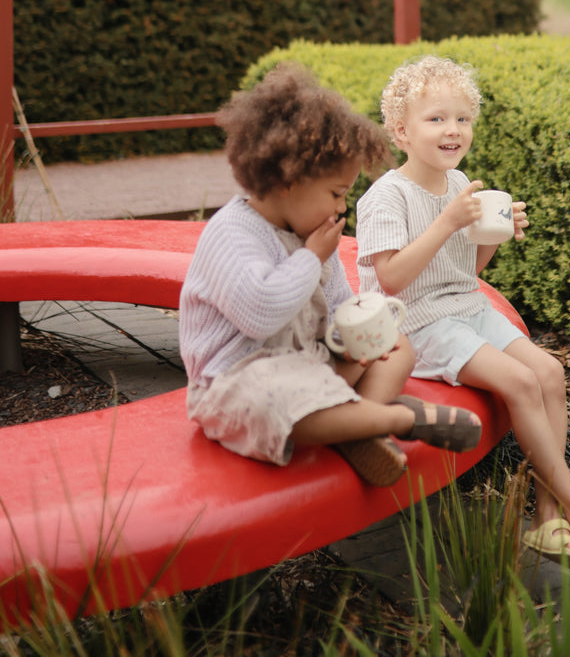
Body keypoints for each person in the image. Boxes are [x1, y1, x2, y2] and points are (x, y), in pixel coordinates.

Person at [355, 55, 570, 557]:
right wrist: (447, 223)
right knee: (521, 381)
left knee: (549, 372)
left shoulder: (458, 183)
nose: (454, 129)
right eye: (437, 119)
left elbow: (466, 272)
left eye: (463, 118)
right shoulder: (387, 196)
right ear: (401, 131)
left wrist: (494, 235)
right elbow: (392, 279)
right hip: (416, 323)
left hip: (463, 306)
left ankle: (546, 519)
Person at [178, 64, 483, 488]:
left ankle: (353, 428)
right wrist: (309, 258)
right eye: (336, 194)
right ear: (288, 181)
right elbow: (260, 314)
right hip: (239, 382)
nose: (341, 207)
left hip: (310, 364)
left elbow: (340, 302)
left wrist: (354, 338)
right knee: (272, 396)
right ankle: (396, 418)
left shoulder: (311, 231)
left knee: (396, 346)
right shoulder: (232, 234)